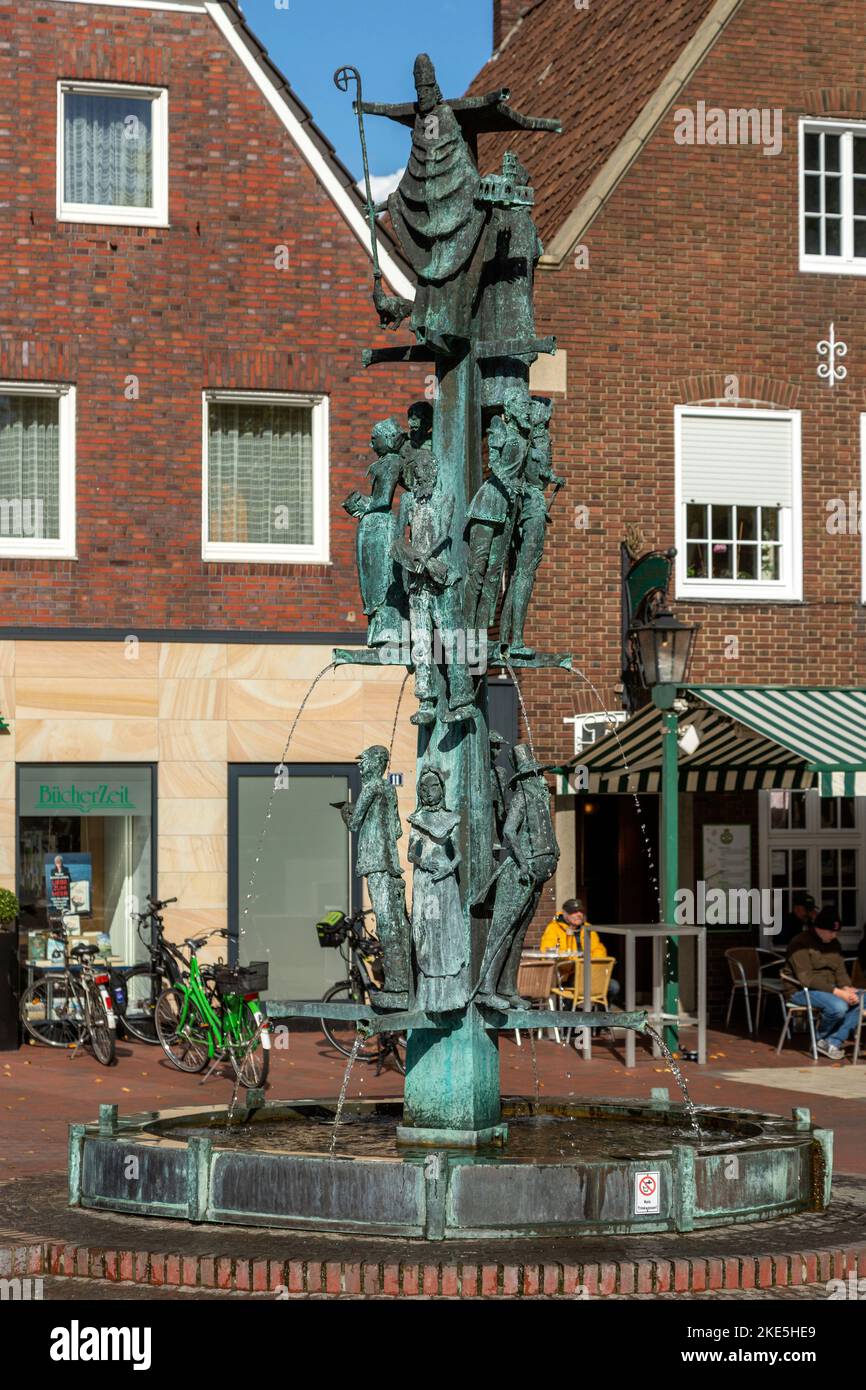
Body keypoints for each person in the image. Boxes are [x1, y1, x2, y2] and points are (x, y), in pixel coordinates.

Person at [785, 906, 863, 1060]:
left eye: (836, 932)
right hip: (802, 990)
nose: (834, 935)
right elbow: (806, 978)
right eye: (831, 931)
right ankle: (820, 1039)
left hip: (831, 989)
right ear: (818, 928)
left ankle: (831, 1042)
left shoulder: (834, 943)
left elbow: (840, 971)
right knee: (839, 1007)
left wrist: (848, 988)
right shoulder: (800, 943)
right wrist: (839, 992)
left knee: (862, 999)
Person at [540, 897, 621, 1003]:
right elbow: (548, 952)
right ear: (565, 914)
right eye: (574, 912)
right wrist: (577, 962)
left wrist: (591, 963)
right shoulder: (554, 929)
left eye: (581, 911)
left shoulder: (588, 928)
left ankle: (601, 1013)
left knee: (614, 986)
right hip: (567, 975)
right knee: (577, 985)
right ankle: (571, 1010)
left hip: (590, 972)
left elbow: (599, 950)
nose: (579, 914)